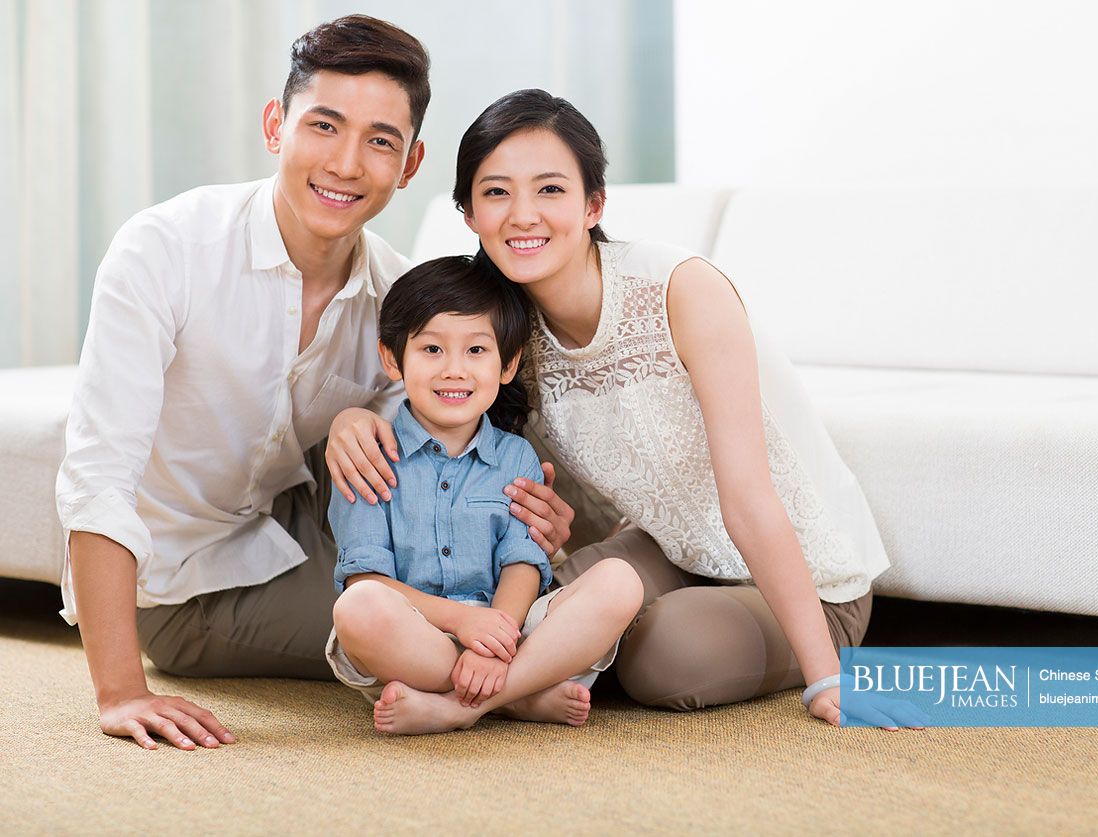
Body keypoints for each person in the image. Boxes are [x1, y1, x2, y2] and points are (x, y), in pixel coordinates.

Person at [55, 18, 573, 753]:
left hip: (307, 517)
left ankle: (537, 655)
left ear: (411, 160)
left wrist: (516, 505)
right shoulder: (164, 251)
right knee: (402, 623)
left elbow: (448, 443)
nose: (346, 163)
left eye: (380, 141)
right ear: (276, 125)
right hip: (183, 582)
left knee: (494, 574)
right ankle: (515, 686)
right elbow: (98, 475)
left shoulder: (397, 292)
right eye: (324, 126)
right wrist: (119, 691)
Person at [334, 89, 922, 730]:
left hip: (806, 582)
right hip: (668, 551)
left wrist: (828, 678)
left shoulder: (682, 290)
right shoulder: (505, 331)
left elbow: (750, 500)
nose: (523, 215)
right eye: (497, 192)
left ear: (594, 205)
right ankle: (522, 687)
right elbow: (433, 398)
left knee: (662, 656)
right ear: (469, 214)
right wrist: (352, 419)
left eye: (550, 190)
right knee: (546, 601)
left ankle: (464, 705)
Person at [326, 257, 642, 734]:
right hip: (418, 639)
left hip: (509, 628)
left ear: (507, 364)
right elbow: (364, 579)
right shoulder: (370, 456)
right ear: (393, 359)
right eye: (432, 349)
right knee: (359, 608)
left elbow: (522, 561)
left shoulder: (516, 456)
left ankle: (460, 705)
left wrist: (498, 633)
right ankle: (519, 695)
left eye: (476, 351)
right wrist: (461, 623)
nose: (455, 370)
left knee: (620, 581)